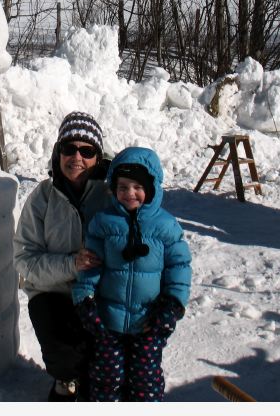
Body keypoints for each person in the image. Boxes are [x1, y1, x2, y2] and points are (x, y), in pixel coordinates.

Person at [72, 146, 192, 402]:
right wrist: (85, 298)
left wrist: (172, 305)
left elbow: (179, 267)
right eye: (123, 186)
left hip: (148, 322)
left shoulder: (166, 226)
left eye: (137, 186)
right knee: (106, 380)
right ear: (113, 188)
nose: (130, 193)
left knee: (145, 382)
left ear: (151, 188)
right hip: (108, 322)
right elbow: (91, 264)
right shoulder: (103, 222)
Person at [14, 111, 111, 401]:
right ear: (58, 153)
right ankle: (65, 382)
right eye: (69, 148)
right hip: (51, 294)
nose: (77, 157)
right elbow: (25, 259)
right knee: (65, 355)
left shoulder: (110, 196)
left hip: (99, 293)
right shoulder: (42, 198)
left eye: (87, 150)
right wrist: (71, 264)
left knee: (104, 353)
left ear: (98, 157)